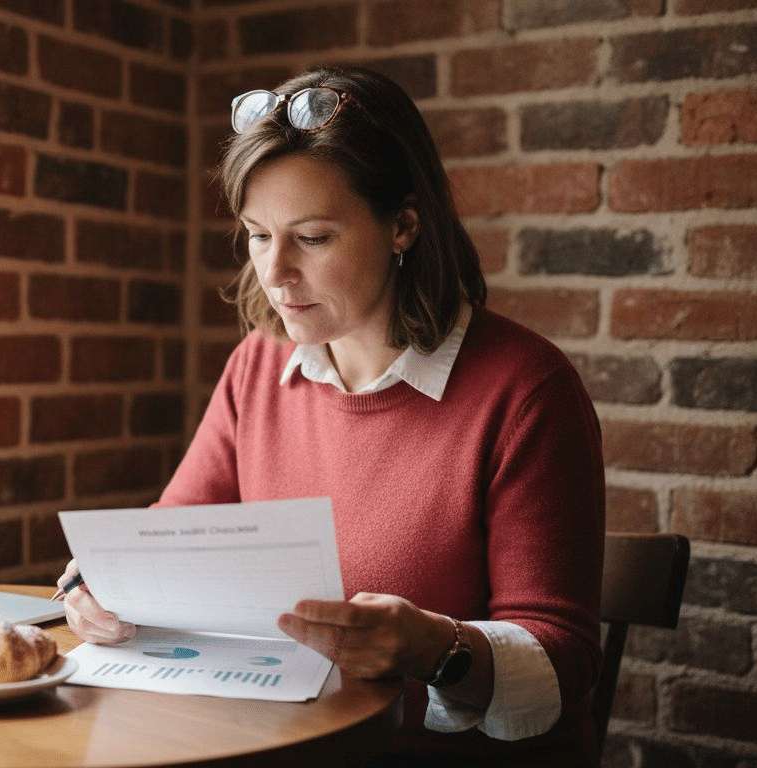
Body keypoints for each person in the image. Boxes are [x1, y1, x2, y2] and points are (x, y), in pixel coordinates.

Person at [56, 65, 605, 765]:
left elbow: (563, 664)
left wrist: (439, 648)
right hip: (274, 742)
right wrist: (104, 585)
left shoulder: (526, 390)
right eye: (258, 235)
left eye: (311, 238)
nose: (275, 272)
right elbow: (174, 536)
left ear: (403, 225)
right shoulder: (257, 366)